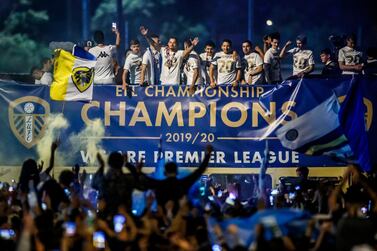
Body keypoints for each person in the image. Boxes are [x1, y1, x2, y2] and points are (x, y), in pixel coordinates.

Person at [138, 145, 213, 215]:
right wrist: (208, 154)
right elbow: (199, 171)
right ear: (177, 172)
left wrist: (138, 171)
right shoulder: (183, 184)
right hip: (180, 220)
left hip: (162, 220)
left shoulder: (158, 185)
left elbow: (144, 179)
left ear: (165, 173)